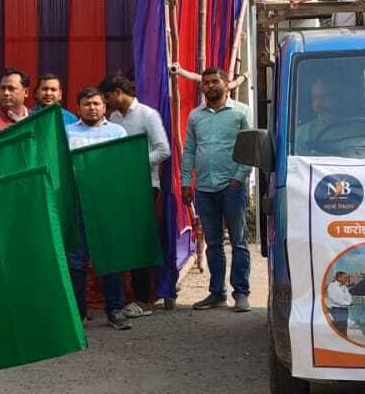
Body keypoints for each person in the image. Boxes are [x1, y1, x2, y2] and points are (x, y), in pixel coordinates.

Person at [180, 68, 254, 313]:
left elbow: (249, 148)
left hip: (232, 186)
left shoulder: (241, 112)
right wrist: (185, 182)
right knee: (212, 243)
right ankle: (217, 293)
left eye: (214, 82)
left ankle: (241, 293)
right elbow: (190, 150)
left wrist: (239, 178)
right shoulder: (195, 116)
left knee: (238, 242)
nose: (210, 86)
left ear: (226, 84)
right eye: (206, 83)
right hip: (204, 188)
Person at [102, 73, 171, 317]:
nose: (106, 102)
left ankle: (144, 298)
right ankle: (127, 297)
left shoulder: (148, 114)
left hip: (145, 185)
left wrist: (135, 162)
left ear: (118, 93)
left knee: (140, 240)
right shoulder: (113, 118)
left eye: (107, 96)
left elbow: (164, 150)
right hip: (119, 186)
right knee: (125, 240)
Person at [65, 87, 132, 330]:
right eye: (86, 104)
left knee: (110, 259)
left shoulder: (117, 132)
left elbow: (123, 165)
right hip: (77, 204)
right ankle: (78, 314)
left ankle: (115, 310)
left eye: (96, 103)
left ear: (104, 106)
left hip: (107, 203)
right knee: (76, 261)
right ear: (79, 108)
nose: (91, 108)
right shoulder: (67, 132)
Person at [325, 271, 355, 335]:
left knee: (344, 327)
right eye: (345, 277)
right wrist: (348, 303)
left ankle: (343, 338)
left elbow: (349, 296)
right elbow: (334, 299)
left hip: (344, 310)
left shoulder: (344, 287)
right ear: (339, 278)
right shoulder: (332, 286)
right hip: (336, 310)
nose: (346, 279)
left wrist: (350, 301)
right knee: (339, 328)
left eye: (347, 277)